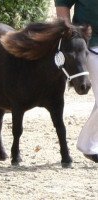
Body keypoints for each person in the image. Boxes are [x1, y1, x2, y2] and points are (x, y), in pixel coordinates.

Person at [55, 0, 98, 163]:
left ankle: (88, 142)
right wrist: (71, 35)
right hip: (91, 45)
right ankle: (87, 144)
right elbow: (62, 6)